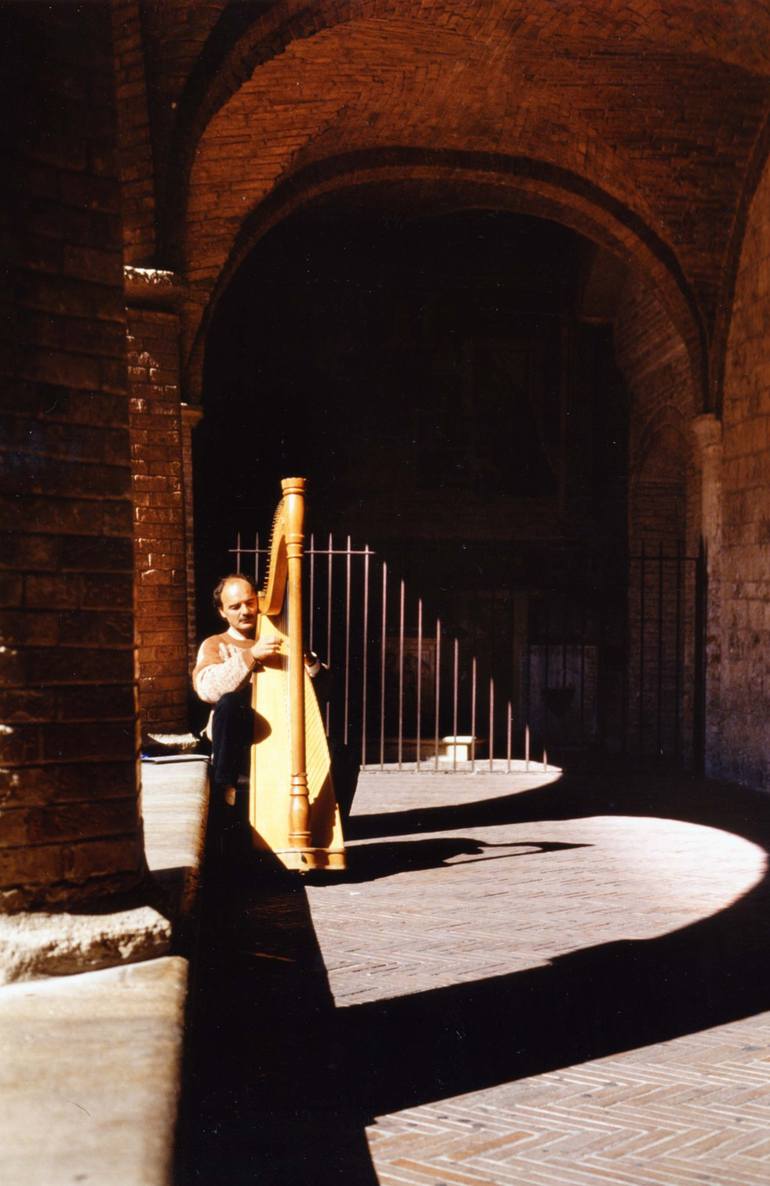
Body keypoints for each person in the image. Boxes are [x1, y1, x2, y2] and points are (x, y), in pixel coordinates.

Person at [192, 573, 326, 809]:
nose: (244, 611)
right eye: (234, 607)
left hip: (285, 734)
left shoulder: (281, 639)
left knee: (343, 754)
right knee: (230, 703)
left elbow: (325, 690)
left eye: (249, 602)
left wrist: (307, 657)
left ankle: (326, 825)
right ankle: (224, 798)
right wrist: (251, 655)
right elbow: (207, 689)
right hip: (240, 739)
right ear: (223, 612)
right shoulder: (215, 643)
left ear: (259, 602)